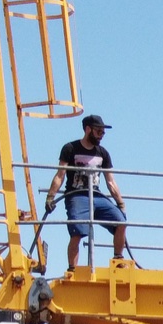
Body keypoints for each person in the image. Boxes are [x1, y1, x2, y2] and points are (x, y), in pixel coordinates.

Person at [42, 115, 129, 272]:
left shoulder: (103, 153)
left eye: (103, 133)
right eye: (98, 132)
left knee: (121, 222)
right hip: (76, 195)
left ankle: (118, 258)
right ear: (88, 129)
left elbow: (111, 182)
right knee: (77, 231)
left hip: (97, 196)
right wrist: (50, 197)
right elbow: (60, 175)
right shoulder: (70, 148)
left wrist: (121, 203)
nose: (101, 135)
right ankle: (72, 269)